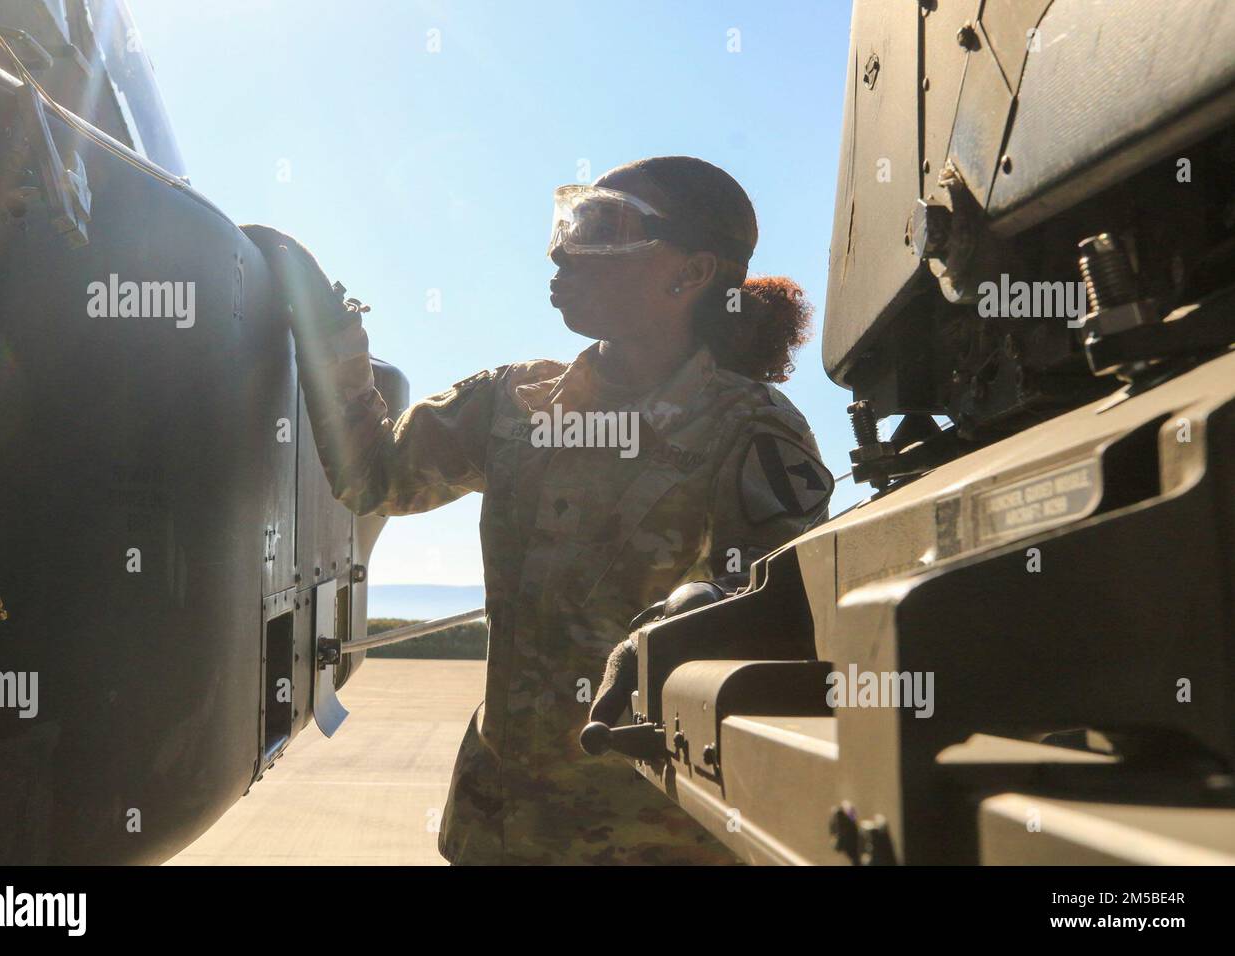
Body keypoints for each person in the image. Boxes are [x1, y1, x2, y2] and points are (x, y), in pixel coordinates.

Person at [242, 155, 833, 865]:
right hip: (495, 824)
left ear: (692, 273)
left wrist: (703, 614)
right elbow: (377, 480)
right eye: (567, 222)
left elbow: (796, 614)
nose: (562, 249)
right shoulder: (514, 404)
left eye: (600, 224)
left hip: (648, 838)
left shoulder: (749, 427)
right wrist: (327, 324)